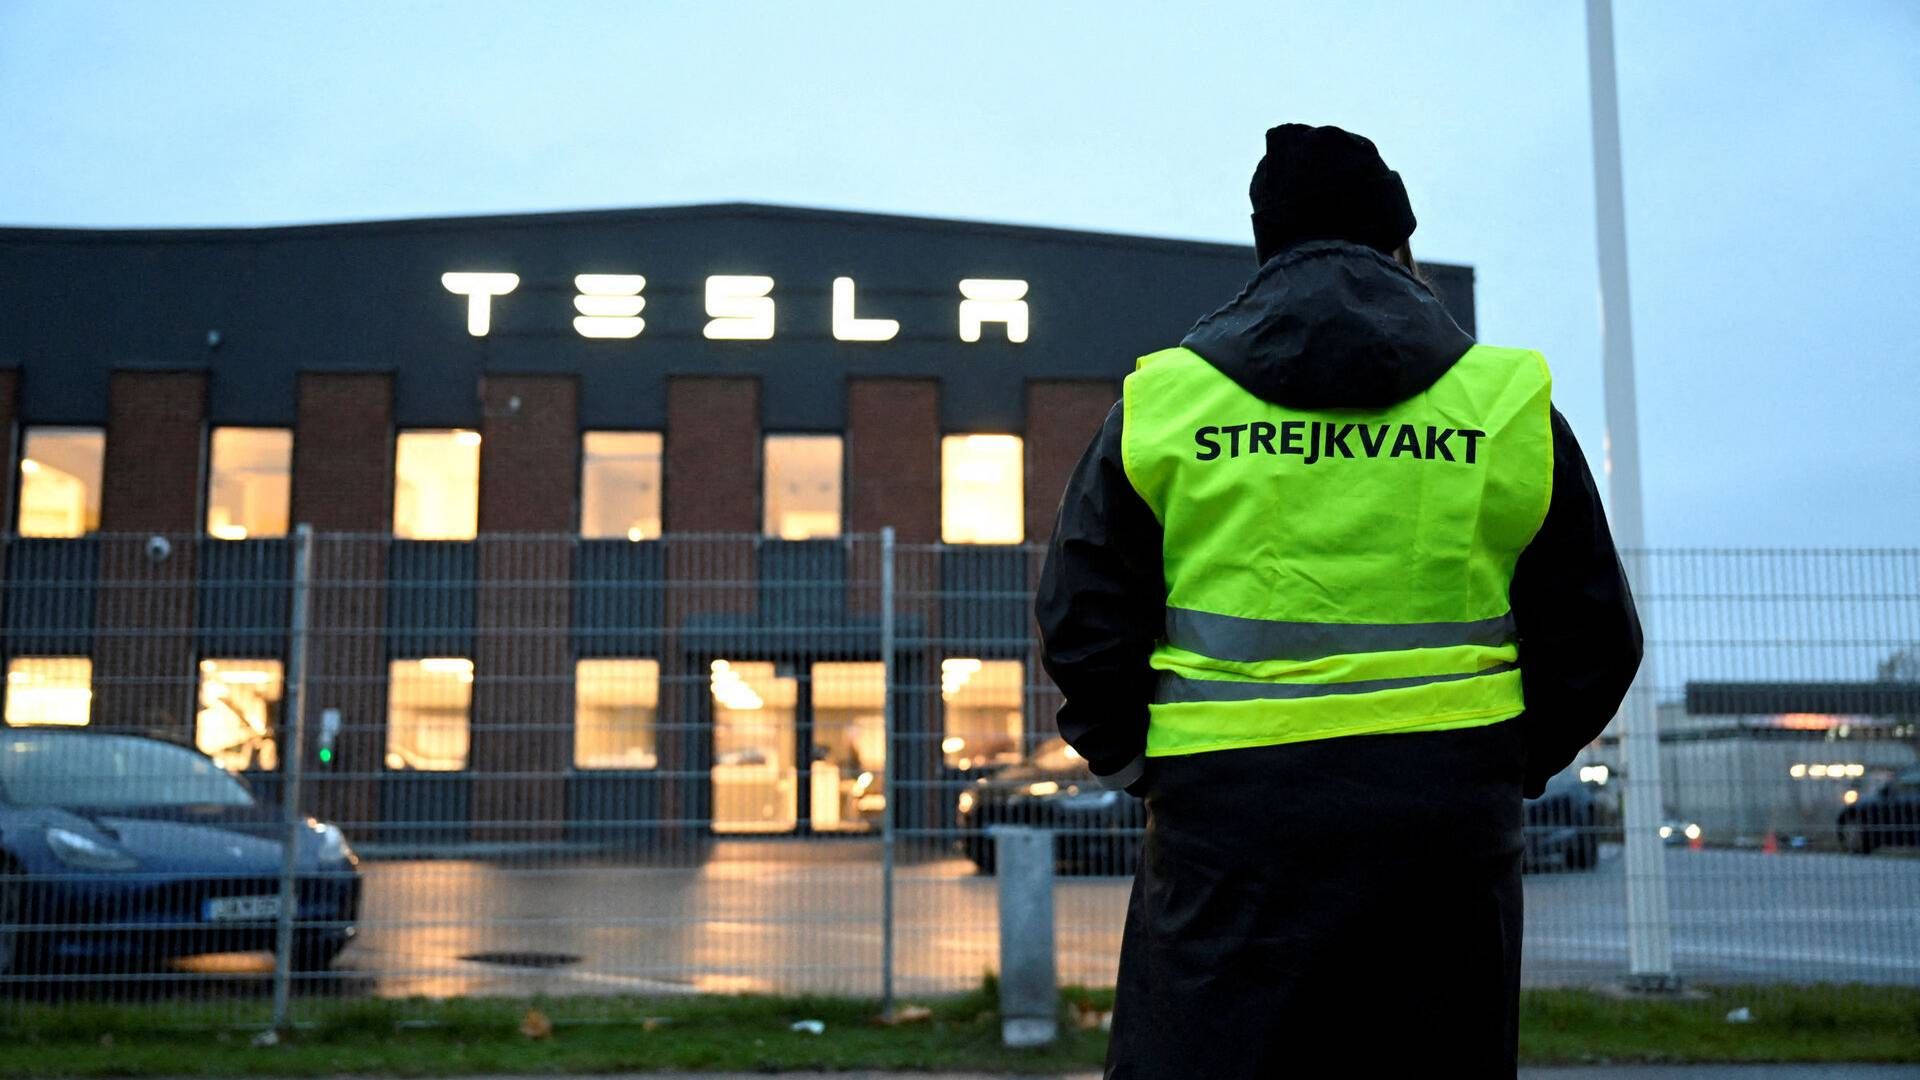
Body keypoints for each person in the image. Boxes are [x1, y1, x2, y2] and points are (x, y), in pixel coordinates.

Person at [1034, 124, 1643, 1078]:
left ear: (1265, 248)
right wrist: (1499, 765)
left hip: (1227, 830)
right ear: (1401, 247)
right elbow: (1596, 637)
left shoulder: (1169, 404)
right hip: (1442, 829)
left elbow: (1081, 622)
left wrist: (1146, 764)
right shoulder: (1504, 403)